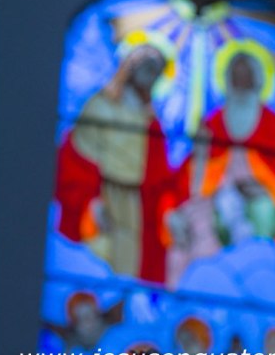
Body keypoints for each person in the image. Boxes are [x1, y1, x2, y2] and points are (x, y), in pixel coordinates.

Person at [165, 39, 275, 287]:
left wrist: (263, 191)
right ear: (227, 80)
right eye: (236, 75)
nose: (242, 80)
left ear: (259, 81)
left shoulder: (274, 125)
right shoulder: (213, 123)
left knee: (257, 224)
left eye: (247, 75)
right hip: (214, 207)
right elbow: (188, 182)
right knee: (186, 240)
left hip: (261, 212)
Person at [55, 31, 188, 284]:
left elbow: (159, 179)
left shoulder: (151, 123)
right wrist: (91, 201)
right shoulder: (99, 106)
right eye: (145, 67)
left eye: (156, 71)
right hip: (103, 195)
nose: (149, 75)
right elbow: (77, 158)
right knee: (97, 266)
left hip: (137, 206)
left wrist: (169, 210)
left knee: (132, 269)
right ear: (128, 68)